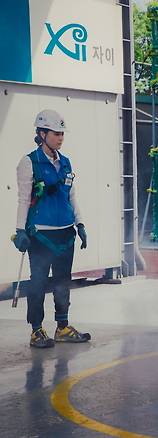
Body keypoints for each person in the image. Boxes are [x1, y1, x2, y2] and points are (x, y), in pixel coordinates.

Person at [13, 109, 91, 348]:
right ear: (42, 133)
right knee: (38, 282)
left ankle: (62, 326)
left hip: (66, 232)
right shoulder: (29, 162)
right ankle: (37, 330)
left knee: (62, 281)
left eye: (62, 134)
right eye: (56, 133)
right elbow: (23, 199)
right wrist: (20, 230)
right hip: (41, 235)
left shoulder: (66, 162)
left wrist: (80, 223)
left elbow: (72, 196)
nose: (60, 138)